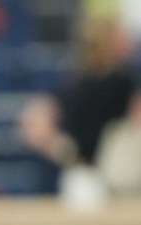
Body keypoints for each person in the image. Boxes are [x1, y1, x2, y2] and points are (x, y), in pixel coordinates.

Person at [18, 11, 141, 205]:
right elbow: (34, 122)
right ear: (108, 43)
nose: (128, 42)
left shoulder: (79, 81)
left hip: (107, 176)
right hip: (87, 178)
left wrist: (64, 151)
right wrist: (65, 152)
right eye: (121, 37)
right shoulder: (91, 83)